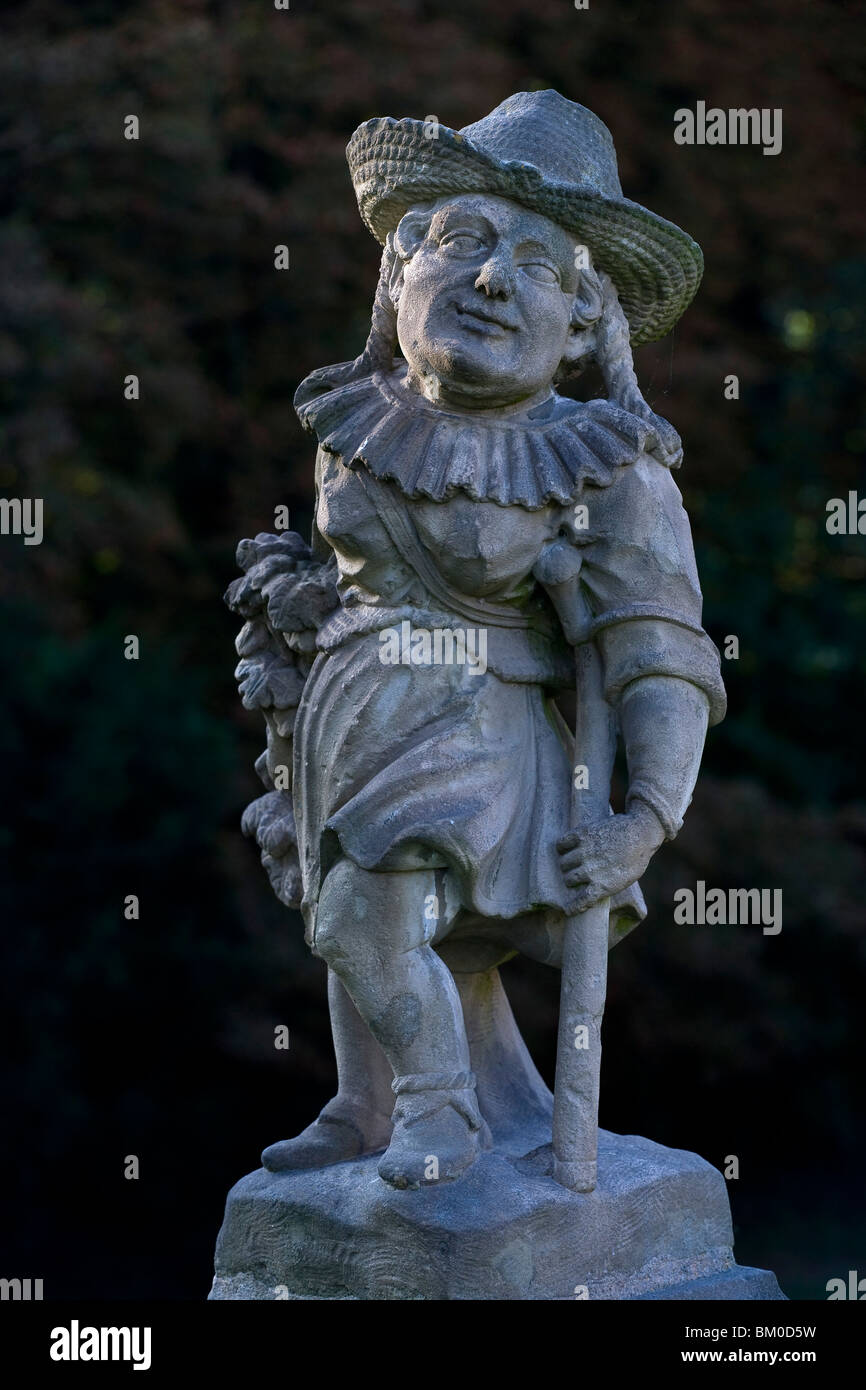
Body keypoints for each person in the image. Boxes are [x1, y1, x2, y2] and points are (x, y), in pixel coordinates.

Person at [227, 91, 726, 1190]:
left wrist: (646, 818)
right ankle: (366, 1103)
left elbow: (659, 653)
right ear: (399, 271)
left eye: (537, 266)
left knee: (364, 911)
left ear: (581, 326)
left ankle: (439, 1112)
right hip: (349, 714)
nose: (491, 279)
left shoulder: (606, 465)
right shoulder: (357, 423)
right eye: (460, 241)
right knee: (360, 911)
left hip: (480, 729)